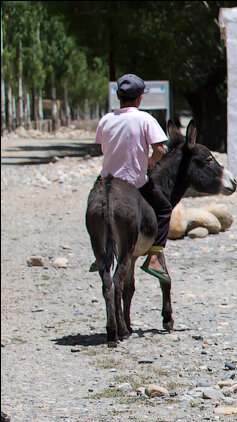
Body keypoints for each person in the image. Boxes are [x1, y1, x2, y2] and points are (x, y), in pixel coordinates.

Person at [93, 73, 171, 282]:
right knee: (164, 209)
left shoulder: (106, 119)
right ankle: (154, 256)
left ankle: (100, 254)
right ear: (140, 98)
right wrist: (150, 162)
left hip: (107, 180)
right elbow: (160, 149)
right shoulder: (145, 119)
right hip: (135, 182)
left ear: (119, 97)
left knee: (95, 205)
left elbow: (103, 147)